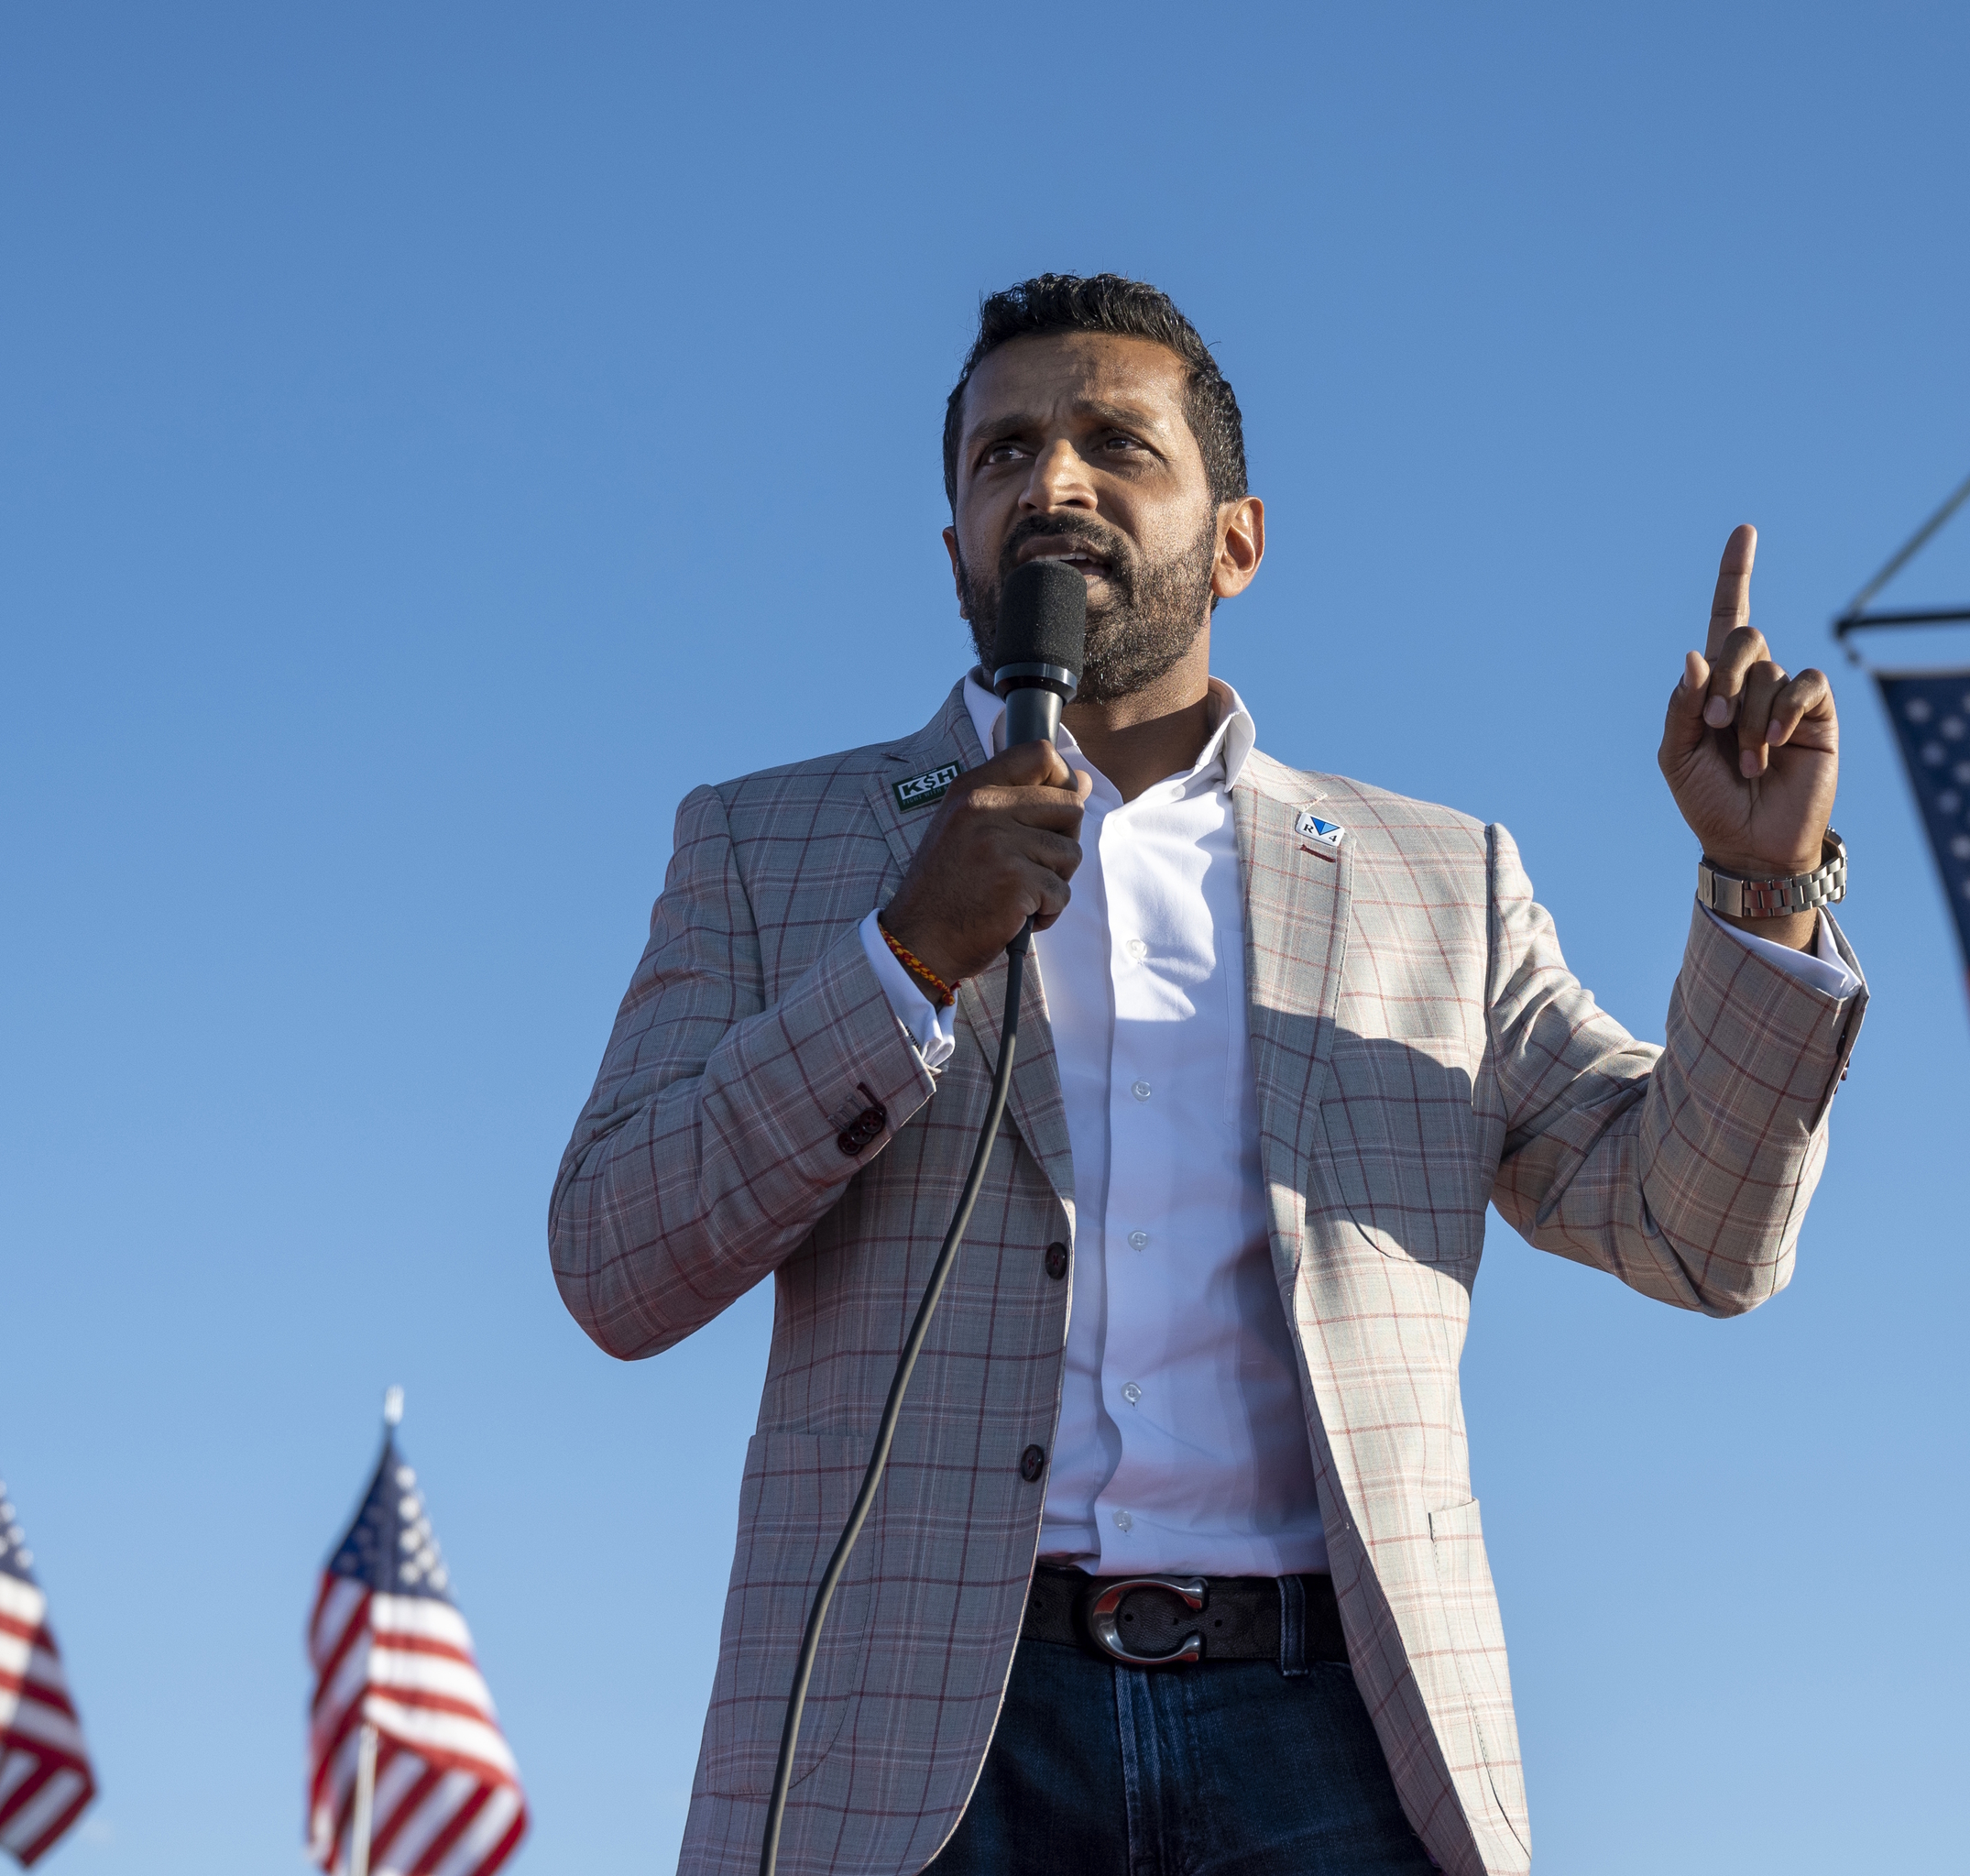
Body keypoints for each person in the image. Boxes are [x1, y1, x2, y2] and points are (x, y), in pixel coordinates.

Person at [551, 274, 1867, 1876]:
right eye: (1003, 455)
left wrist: (1761, 895)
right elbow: (617, 1261)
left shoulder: (1435, 879)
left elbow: (1694, 1231)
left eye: (1117, 443)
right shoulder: (773, 847)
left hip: (1334, 1735)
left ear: (1237, 539)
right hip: (916, 1748)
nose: (1053, 484)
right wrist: (902, 958)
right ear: (955, 545)